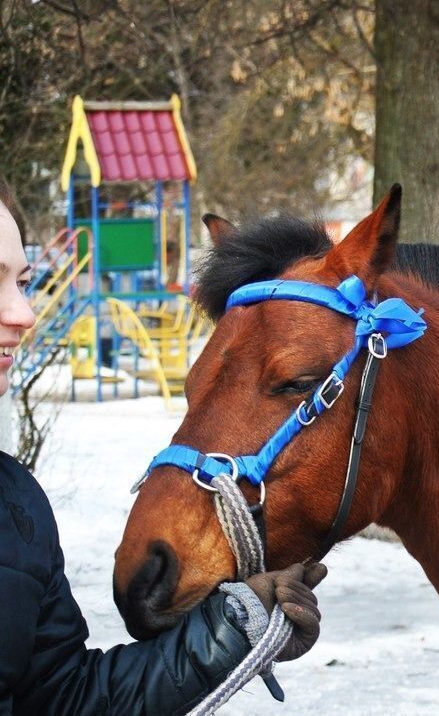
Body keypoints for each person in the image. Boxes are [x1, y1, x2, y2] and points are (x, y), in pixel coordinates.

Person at [0, 188, 327, 715]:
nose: (25, 313)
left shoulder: (16, 506)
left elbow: (64, 698)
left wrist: (233, 627)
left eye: (21, 282)